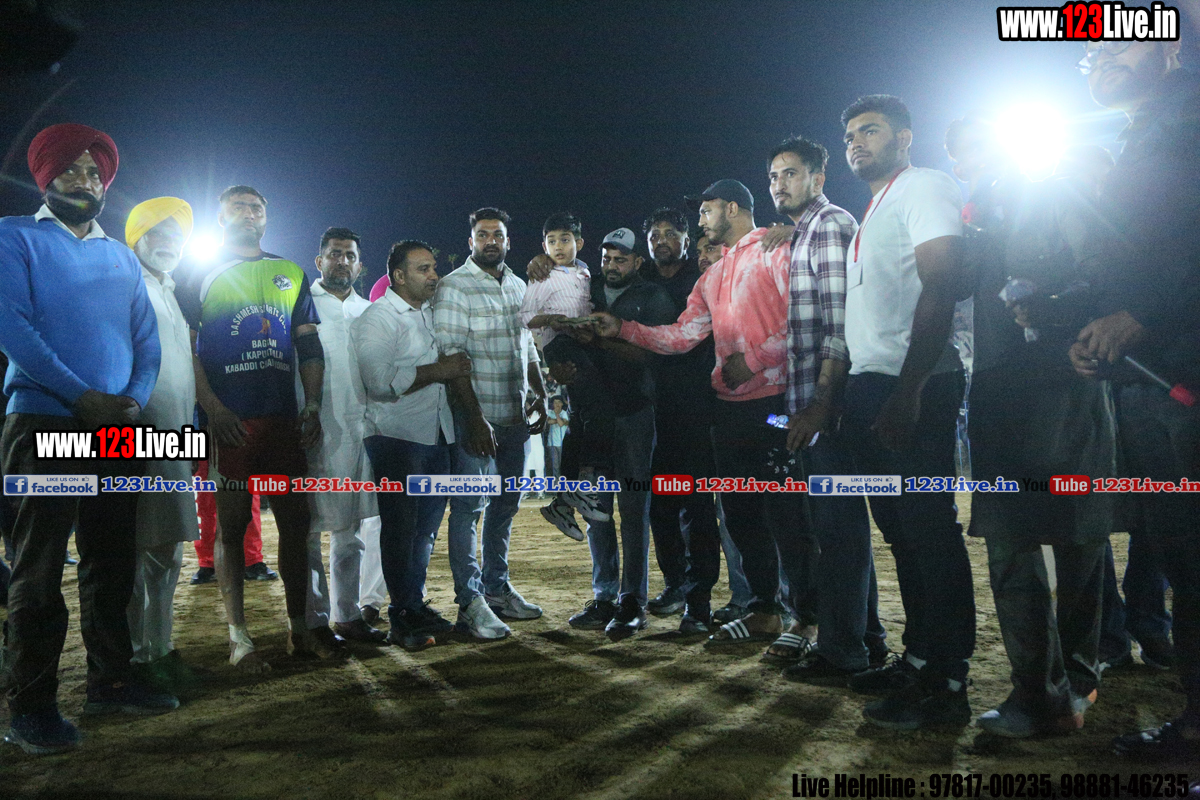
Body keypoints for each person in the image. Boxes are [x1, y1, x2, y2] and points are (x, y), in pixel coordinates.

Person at [0, 124, 173, 755]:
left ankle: (111, 681)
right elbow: (12, 327)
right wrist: (83, 398)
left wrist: (132, 401)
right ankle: (31, 708)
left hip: (118, 431)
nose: (85, 180)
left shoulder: (121, 257)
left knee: (111, 558)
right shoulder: (14, 236)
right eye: (70, 169)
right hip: (44, 422)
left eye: (95, 172)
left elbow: (145, 338)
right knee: (40, 567)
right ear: (45, 176)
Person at [590, 181, 817, 655]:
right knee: (741, 514)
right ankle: (764, 610)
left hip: (777, 407)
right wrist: (624, 328)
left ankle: (809, 620)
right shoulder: (711, 277)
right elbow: (680, 336)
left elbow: (802, 319)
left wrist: (752, 361)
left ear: (732, 208)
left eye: (707, 211)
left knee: (785, 514)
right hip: (728, 411)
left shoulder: (775, 251)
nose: (701, 221)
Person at [945, 116, 1116, 737]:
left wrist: (1056, 306)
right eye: (963, 155)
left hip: (1065, 386)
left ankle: (1078, 680)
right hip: (996, 393)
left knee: (1078, 538)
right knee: (1008, 540)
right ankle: (1038, 694)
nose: (975, 162)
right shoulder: (968, 223)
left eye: (983, 148)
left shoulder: (1057, 196)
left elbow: (1106, 273)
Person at [1070, 37, 1200, 761]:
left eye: (1118, 42)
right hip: (1154, 384)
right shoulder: (1142, 138)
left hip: (1189, 378)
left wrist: (1141, 315)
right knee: (1184, 560)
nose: (1099, 58)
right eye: (1088, 55)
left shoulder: (1190, 119)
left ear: (1172, 49)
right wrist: (1098, 335)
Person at [833, 95, 974, 731]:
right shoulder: (876, 206)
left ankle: (946, 681)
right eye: (850, 136)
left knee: (928, 529)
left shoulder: (925, 186)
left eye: (870, 131)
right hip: (874, 387)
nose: (857, 143)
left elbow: (941, 284)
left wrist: (909, 390)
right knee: (902, 533)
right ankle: (919, 660)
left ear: (905, 138)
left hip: (914, 385)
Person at [739, 135, 882, 683]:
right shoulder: (805, 231)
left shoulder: (830, 225)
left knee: (840, 530)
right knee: (835, 528)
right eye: (773, 176)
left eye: (791, 174)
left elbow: (840, 323)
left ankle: (844, 651)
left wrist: (821, 404)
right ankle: (864, 641)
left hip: (831, 409)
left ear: (818, 178)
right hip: (810, 404)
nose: (779, 185)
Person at [174, 185, 327, 672]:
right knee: (232, 527)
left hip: (282, 421)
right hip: (232, 423)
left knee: (296, 526)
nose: (248, 213)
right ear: (220, 219)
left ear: (266, 217)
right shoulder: (198, 273)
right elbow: (185, 347)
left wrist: (313, 404)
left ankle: (299, 630)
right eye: (238, 207)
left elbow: (309, 346)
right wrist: (212, 407)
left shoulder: (290, 272)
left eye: (256, 207)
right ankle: (239, 638)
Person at [433, 207, 546, 637]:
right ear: (471, 242)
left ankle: (497, 589)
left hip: (515, 418)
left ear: (508, 241)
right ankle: (470, 601)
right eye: (483, 235)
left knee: (505, 506)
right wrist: (475, 419)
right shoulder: (454, 287)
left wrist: (539, 390)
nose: (491, 241)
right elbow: (451, 356)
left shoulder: (519, 285)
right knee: (468, 509)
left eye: (497, 234)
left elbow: (527, 343)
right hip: (475, 422)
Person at [354, 241, 470, 648]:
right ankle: (401, 616)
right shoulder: (377, 318)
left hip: (437, 435)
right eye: (423, 269)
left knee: (424, 532)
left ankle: (413, 605)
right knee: (400, 530)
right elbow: (379, 381)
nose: (434, 275)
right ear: (399, 276)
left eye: (434, 267)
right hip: (396, 438)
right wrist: (440, 370)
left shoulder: (432, 314)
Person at [563, 228, 676, 639]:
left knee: (632, 512)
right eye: (607, 258)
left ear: (637, 262)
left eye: (621, 259)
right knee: (596, 510)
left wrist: (598, 342)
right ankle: (604, 596)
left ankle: (632, 601)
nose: (611, 266)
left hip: (634, 417)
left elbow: (653, 355)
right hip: (590, 417)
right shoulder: (585, 290)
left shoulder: (653, 297)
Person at [123, 197, 203, 695]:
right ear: (137, 237)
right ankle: (137, 658)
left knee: (168, 551)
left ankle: (161, 648)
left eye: (177, 234)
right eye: (159, 231)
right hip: (137, 438)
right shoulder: (127, 286)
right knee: (138, 551)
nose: (169, 241)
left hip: (174, 437)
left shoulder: (169, 291)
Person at [638, 208, 722, 632]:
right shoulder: (640, 280)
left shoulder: (702, 275)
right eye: (654, 234)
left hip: (697, 409)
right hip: (651, 412)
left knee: (697, 507)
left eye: (671, 233)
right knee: (661, 506)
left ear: (687, 240)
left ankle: (699, 601)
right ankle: (674, 584)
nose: (662, 240)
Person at [302, 227, 385, 644]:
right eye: (335, 254)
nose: (342, 262)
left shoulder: (369, 311)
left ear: (359, 265)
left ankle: (348, 615)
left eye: (350, 256)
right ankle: (312, 620)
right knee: (307, 530)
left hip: (360, 432)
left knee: (350, 531)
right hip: (313, 431)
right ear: (319, 261)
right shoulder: (301, 307)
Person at [518, 212, 611, 541]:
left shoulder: (584, 272)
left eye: (565, 240)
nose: (558, 246)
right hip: (560, 345)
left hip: (583, 343)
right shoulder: (542, 276)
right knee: (598, 407)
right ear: (543, 246)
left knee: (584, 416)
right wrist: (553, 319)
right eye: (552, 241)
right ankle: (583, 484)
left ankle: (562, 503)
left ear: (579, 243)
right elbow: (526, 317)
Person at [545, 397, 568, 478]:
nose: (557, 404)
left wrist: (557, 415)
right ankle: (557, 480)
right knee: (555, 465)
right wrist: (559, 419)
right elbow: (549, 421)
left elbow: (561, 424)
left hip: (562, 443)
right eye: (555, 402)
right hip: (552, 443)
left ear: (562, 404)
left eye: (559, 402)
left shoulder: (564, 413)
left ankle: (563, 479)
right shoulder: (550, 412)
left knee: (563, 464)